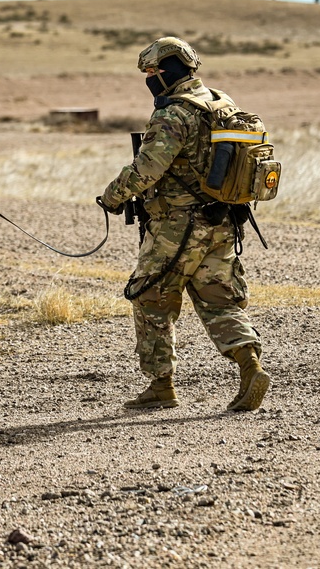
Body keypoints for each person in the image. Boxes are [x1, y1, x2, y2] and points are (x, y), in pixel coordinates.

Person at [96, 37, 270, 412]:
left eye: (151, 72)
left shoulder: (174, 113)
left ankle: (161, 386)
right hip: (223, 220)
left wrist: (112, 196)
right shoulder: (222, 103)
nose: (149, 79)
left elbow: (147, 168)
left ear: (167, 70)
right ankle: (250, 367)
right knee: (218, 301)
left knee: (151, 296)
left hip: (178, 226)